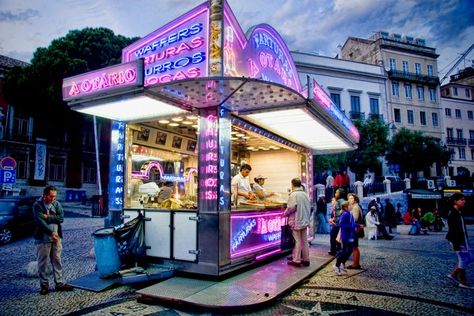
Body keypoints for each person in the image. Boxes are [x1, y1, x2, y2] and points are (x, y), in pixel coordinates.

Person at [33, 185, 73, 295]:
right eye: (51, 196)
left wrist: (48, 217)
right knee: (43, 262)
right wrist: (51, 232)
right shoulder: (37, 205)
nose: (53, 198)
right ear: (45, 195)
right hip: (43, 238)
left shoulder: (56, 204)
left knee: (57, 260)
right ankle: (44, 285)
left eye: (54, 196)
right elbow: (39, 222)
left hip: (57, 237)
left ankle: (59, 283)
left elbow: (61, 218)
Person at [446, 193, 473, 289]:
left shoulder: (458, 212)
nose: (464, 201)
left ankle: (454, 274)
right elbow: (452, 230)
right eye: (461, 199)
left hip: (462, 240)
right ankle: (462, 281)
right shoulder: (453, 213)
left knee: (469, 258)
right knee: (464, 259)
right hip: (458, 241)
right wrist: (456, 243)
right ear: (455, 201)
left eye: (464, 199)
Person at [284, 178, 311, 267]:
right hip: (305, 220)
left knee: (297, 241)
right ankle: (306, 259)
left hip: (296, 220)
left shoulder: (294, 195)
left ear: (292, 185)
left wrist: (284, 213)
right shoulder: (305, 194)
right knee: (304, 241)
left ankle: (296, 260)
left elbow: (291, 207)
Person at [332, 201, 358, 275]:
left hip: (350, 235)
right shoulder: (346, 214)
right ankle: (337, 265)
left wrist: (358, 225)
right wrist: (352, 226)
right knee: (344, 251)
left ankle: (342, 264)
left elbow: (352, 223)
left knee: (349, 250)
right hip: (346, 235)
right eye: (349, 205)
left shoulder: (350, 214)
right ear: (346, 207)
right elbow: (342, 224)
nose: (351, 206)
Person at [347, 193, 364, 269]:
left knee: (354, 247)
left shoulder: (355, 207)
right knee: (354, 246)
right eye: (349, 198)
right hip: (355, 229)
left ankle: (356, 264)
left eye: (351, 198)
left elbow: (355, 219)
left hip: (355, 229)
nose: (349, 200)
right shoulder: (355, 207)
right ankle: (355, 263)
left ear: (355, 200)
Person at [328, 188, 345, 255]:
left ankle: (333, 250)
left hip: (338, 223)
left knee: (333, 235)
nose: (335, 194)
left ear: (339, 194)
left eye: (336, 193)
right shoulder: (342, 201)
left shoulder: (339, 202)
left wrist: (334, 221)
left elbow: (339, 213)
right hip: (339, 222)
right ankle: (337, 249)